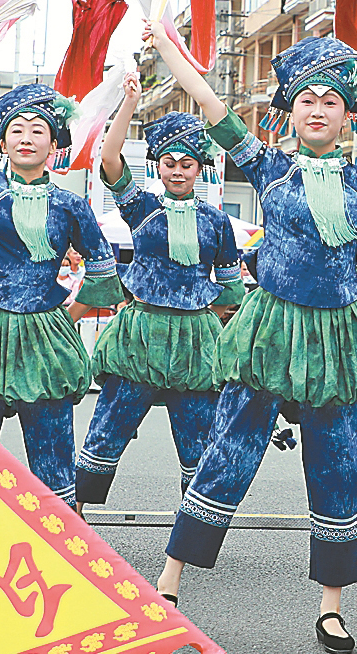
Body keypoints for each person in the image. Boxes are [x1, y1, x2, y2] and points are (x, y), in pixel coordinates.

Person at [149, 21, 357, 654]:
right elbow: (212, 106)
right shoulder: (269, 167)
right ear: (290, 110)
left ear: (347, 114)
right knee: (228, 453)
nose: (318, 109)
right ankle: (168, 580)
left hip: (339, 338)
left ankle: (332, 607)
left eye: (331, 100)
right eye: (307, 99)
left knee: (338, 466)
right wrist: (166, 45)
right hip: (272, 330)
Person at [0, 15, 123, 505]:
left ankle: (61, 550)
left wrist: (67, 317)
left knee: (52, 453)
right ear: (0, 142)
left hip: (46, 335)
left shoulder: (70, 204)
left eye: (37, 130)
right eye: (15, 130)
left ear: (54, 145)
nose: (25, 138)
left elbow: (104, 271)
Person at [76, 74, 245, 514]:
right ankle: (73, 523)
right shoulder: (142, 209)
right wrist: (130, 102)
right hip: (140, 338)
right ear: (156, 166)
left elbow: (230, 292)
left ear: (199, 169)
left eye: (185, 163)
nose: (176, 170)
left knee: (197, 444)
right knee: (106, 432)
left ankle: (191, 529)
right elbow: (109, 158)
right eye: (168, 162)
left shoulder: (218, 222)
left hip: (196, 344)